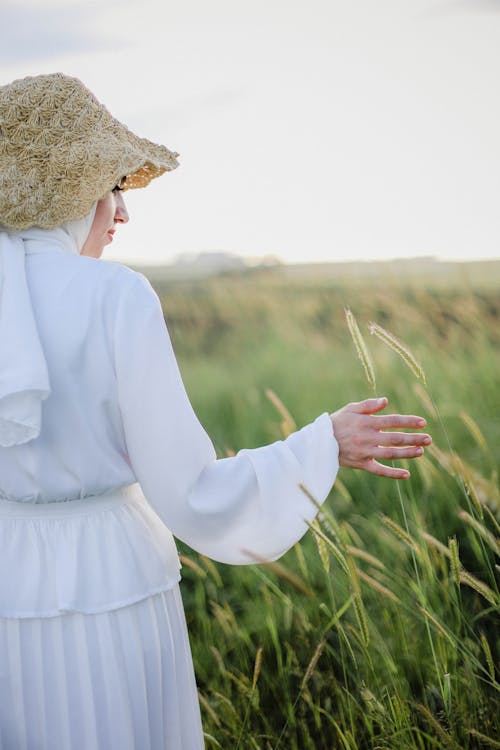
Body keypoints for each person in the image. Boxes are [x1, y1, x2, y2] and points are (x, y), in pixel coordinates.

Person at [0, 73, 431, 750]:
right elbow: (193, 490)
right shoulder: (118, 297)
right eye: (114, 187)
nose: (123, 212)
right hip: (112, 582)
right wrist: (323, 443)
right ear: (72, 188)